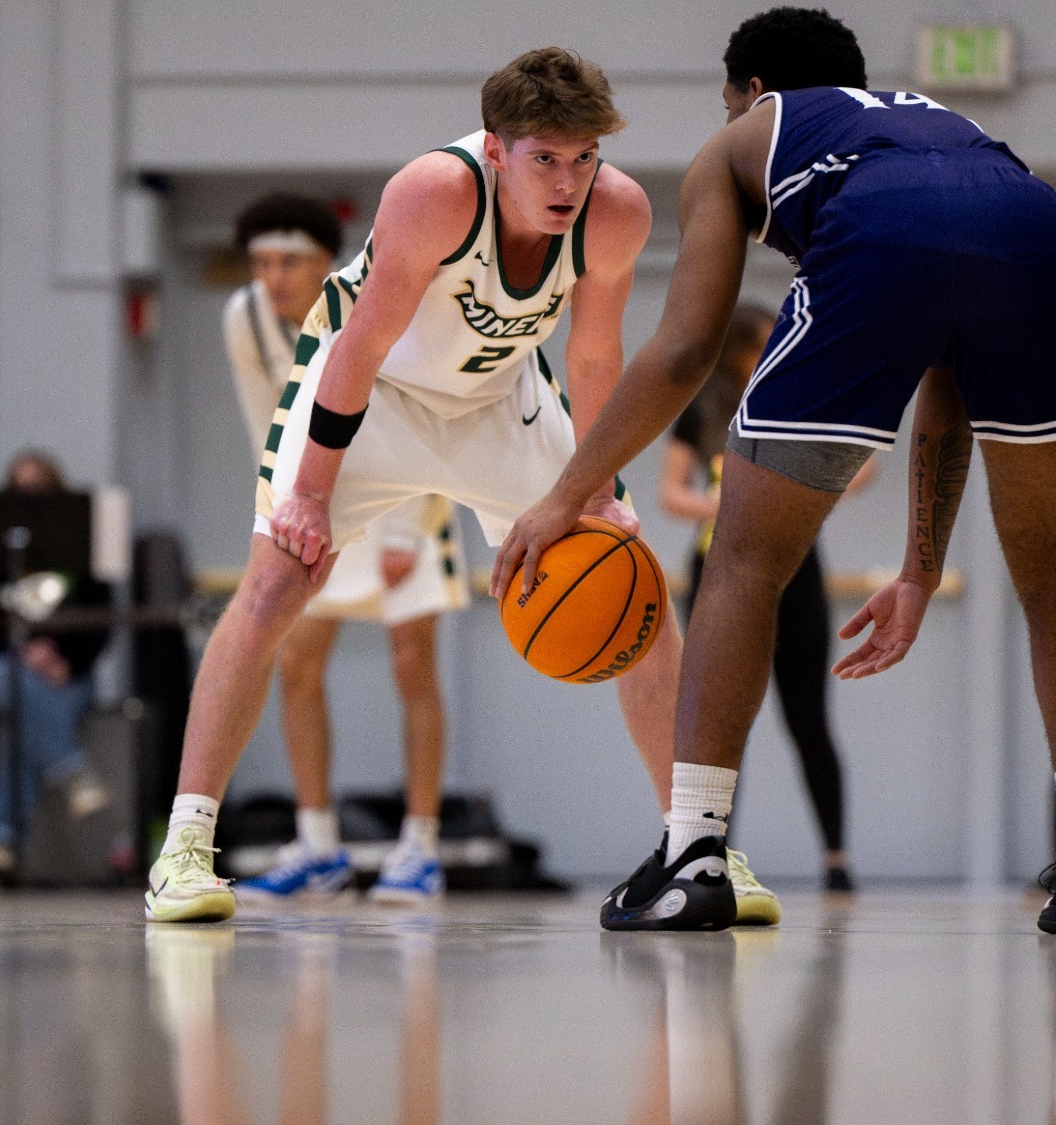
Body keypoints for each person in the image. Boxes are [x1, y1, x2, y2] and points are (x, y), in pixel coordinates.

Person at [494, 7, 1056, 935]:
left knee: (745, 561)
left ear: (752, 93)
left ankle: (695, 852)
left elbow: (683, 352)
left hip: (876, 231)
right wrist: (920, 569)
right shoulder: (942, 125)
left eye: (726, 104)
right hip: (1028, 221)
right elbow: (949, 370)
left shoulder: (745, 139)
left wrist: (563, 495)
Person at [147, 48, 784, 927]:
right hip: (371, 399)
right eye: (546, 158)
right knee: (274, 582)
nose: (569, 180)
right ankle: (183, 849)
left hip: (499, 401)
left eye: (585, 156)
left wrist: (597, 487)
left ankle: (696, 846)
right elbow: (361, 349)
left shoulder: (616, 212)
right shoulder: (433, 192)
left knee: (636, 590)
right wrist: (306, 496)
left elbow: (595, 356)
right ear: (496, 150)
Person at [221, 192, 468, 904]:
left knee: (412, 664)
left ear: (326, 262)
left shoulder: (371, 299)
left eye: (289, 262)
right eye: (262, 263)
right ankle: (318, 844)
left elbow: (424, 414)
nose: (273, 277)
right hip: (316, 497)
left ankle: (420, 846)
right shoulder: (244, 319)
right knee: (296, 662)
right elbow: (261, 426)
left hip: (407, 494)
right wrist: (274, 519)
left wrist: (401, 529)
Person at [660, 302, 872, 892]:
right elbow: (671, 494)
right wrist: (732, 507)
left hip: (795, 570)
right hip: (720, 572)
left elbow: (859, 473)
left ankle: (836, 860)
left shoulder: (797, 397)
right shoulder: (702, 409)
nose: (773, 351)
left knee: (809, 718)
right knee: (720, 719)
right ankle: (710, 852)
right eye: (761, 344)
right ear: (736, 354)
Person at [0, 450, 114, 881]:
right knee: (2, 678)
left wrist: (62, 661)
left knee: (21, 715)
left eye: (40, 488)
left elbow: (103, 621)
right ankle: (72, 771)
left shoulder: (82, 550)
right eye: (19, 489)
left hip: (67, 675)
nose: (29, 498)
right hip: (9, 666)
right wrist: (24, 655)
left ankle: (0, 838)